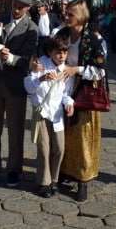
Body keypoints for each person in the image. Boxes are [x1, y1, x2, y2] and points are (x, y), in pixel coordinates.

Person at [0, 0, 39, 187]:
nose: (17, 9)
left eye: (21, 6)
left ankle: (14, 169)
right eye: (15, 5)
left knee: (15, 130)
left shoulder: (32, 28)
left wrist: (12, 58)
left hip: (16, 84)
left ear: (28, 8)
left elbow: (29, 59)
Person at [54, 0, 107, 202]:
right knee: (64, 134)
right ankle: (65, 171)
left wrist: (76, 70)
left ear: (81, 17)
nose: (66, 17)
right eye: (65, 14)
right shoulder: (62, 35)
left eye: (70, 14)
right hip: (63, 89)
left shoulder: (93, 39)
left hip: (84, 92)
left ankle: (83, 179)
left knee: (83, 137)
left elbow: (100, 71)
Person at [24, 37, 74, 198]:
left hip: (57, 115)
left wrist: (69, 103)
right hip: (42, 112)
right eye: (58, 52)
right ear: (50, 52)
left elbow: (66, 93)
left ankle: (54, 179)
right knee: (44, 149)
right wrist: (41, 78)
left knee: (59, 148)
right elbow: (28, 87)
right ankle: (43, 183)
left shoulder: (66, 70)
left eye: (64, 52)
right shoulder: (40, 64)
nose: (61, 56)